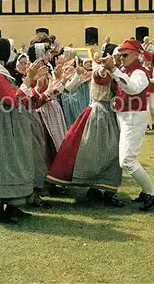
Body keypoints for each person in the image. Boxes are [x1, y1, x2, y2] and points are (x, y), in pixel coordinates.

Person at [0, 38, 59, 223]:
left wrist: (32, 86)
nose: (13, 53)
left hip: (8, 119)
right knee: (2, 161)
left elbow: (18, 97)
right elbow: (12, 99)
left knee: (13, 159)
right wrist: (29, 80)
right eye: (10, 50)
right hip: (1, 120)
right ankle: (1, 210)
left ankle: (13, 206)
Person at [47, 57, 124, 206]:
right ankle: (99, 189)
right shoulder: (101, 72)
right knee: (98, 150)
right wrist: (105, 66)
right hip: (99, 114)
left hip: (107, 112)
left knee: (106, 150)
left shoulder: (115, 72)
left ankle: (103, 189)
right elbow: (101, 73)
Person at [101, 40, 154, 211]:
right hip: (125, 115)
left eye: (125, 55)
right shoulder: (127, 69)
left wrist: (113, 70)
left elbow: (132, 89)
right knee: (126, 158)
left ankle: (152, 191)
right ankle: (147, 190)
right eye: (120, 55)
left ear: (136, 54)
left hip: (134, 116)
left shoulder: (139, 72)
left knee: (127, 160)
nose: (121, 58)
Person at [142, 51, 154, 130]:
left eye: (148, 61)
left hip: (151, 89)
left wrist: (149, 79)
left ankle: (153, 122)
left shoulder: (153, 69)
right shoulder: (141, 69)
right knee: (146, 107)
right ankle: (146, 123)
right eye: (146, 61)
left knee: (153, 107)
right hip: (144, 90)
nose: (147, 62)